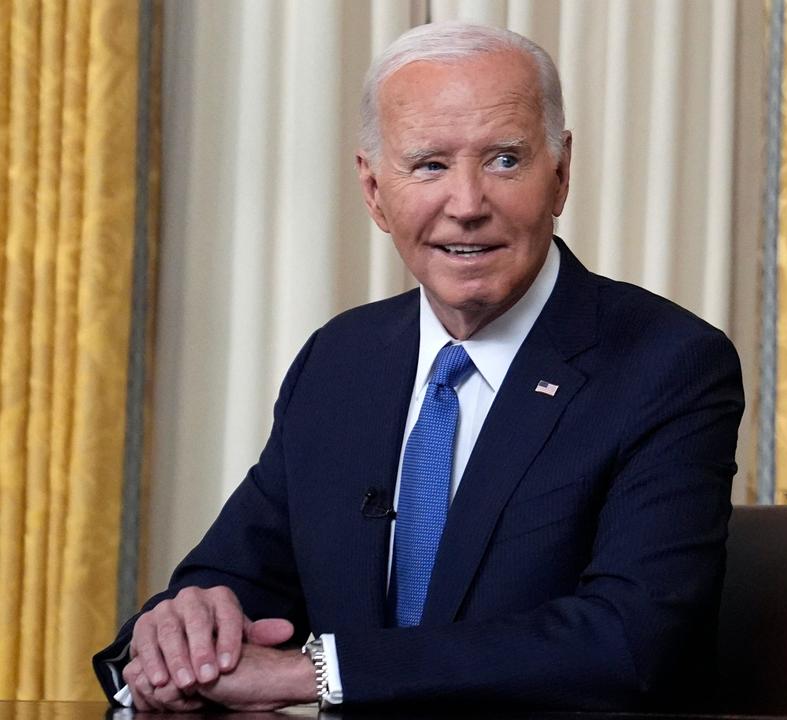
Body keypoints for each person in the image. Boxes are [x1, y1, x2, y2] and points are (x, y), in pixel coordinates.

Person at [91, 22, 744, 712]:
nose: (466, 205)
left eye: (504, 160)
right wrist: (176, 641)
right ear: (374, 190)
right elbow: (236, 579)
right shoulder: (342, 361)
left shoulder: (668, 364)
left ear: (561, 173)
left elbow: (628, 642)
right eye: (429, 165)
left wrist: (315, 674)